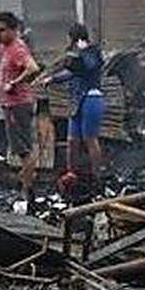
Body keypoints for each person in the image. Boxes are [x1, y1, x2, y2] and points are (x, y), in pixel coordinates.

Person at [0, 11, 41, 203]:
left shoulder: (17, 49)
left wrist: (14, 83)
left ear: (14, 30)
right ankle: (26, 185)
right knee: (21, 149)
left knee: (24, 150)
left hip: (19, 105)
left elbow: (33, 68)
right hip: (11, 105)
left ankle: (27, 190)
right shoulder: (5, 47)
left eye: (2, 30)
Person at [44, 23, 106, 188]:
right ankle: (72, 173)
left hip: (91, 97)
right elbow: (70, 72)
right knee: (72, 140)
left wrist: (80, 52)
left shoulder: (92, 51)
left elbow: (89, 66)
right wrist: (53, 79)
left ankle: (98, 177)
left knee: (90, 139)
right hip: (76, 100)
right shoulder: (74, 54)